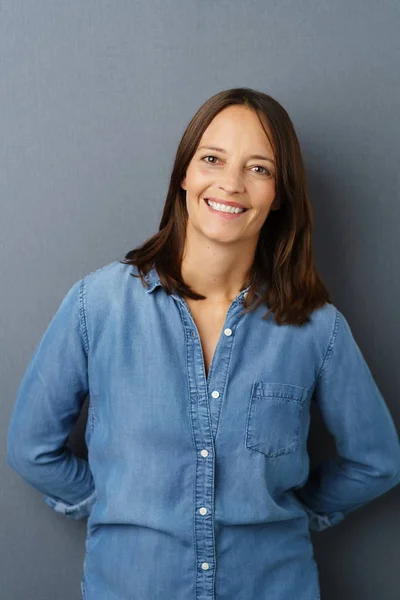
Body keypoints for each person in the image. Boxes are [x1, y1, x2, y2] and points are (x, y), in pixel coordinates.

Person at [7, 87, 400, 600]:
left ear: (279, 194)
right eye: (212, 159)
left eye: (259, 169)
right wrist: (115, 507)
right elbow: (31, 449)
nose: (231, 184)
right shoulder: (97, 306)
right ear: (185, 174)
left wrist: (295, 513)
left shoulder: (317, 329)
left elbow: (376, 461)